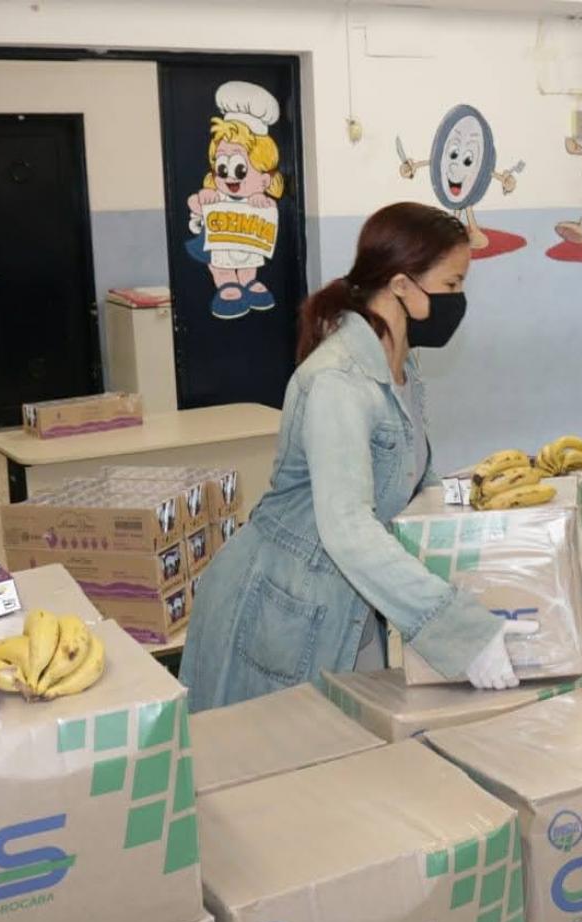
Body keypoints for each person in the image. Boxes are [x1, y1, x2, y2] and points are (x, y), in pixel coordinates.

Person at [180, 202, 528, 712]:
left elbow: (413, 478)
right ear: (403, 286)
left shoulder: (400, 363)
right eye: (452, 285)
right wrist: (458, 629)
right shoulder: (338, 382)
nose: (459, 300)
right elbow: (347, 526)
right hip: (284, 604)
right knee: (275, 767)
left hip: (352, 602)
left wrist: (478, 524)